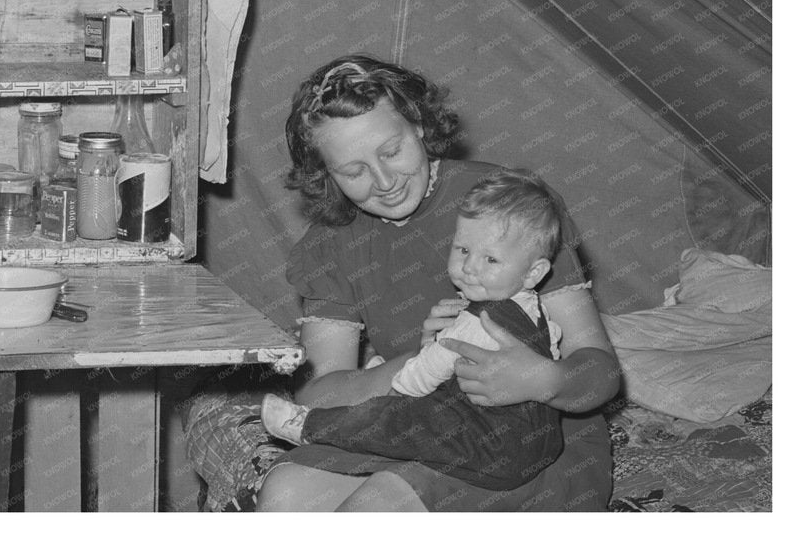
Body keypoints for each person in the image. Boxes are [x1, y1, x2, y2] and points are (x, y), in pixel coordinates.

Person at [256, 55, 620, 512]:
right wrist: (422, 358)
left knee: (374, 510)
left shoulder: (506, 206)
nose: (385, 182)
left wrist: (541, 378)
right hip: (420, 422)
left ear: (420, 126)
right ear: (325, 174)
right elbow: (320, 392)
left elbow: (601, 374)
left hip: (528, 437)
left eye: (391, 152)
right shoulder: (328, 246)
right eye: (353, 171)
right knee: (282, 496)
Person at [259, 169, 570, 491]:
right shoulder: (537, 312)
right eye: (463, 250)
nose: (470, 266)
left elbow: (426, 372)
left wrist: (399, 389)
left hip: (488, 444)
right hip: (538, 445)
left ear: (534, 272)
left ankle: (309, 425)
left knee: (394, 419)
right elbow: (553, 349)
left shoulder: (477, 321)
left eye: (491, 259)